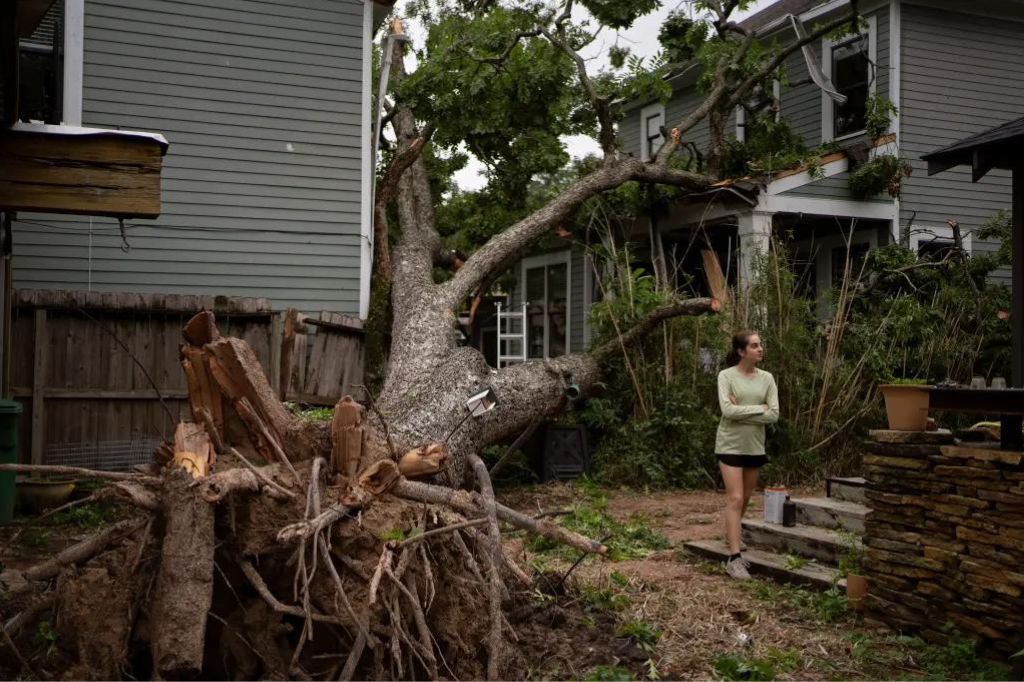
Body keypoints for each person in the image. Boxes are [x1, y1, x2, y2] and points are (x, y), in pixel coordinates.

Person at [716, 331, 779, 580]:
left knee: (745, 500)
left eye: (760, 345)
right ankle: (734, 558)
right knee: (735, 498)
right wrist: (758, 408)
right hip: (729, 444)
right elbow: (727, 411)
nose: (760, 349)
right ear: (742, 352)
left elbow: (773, 414)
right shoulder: (726, 376)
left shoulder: (767, 379)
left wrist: (742, 409)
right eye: (755, 346)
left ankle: (730, 533)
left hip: (755, 446)